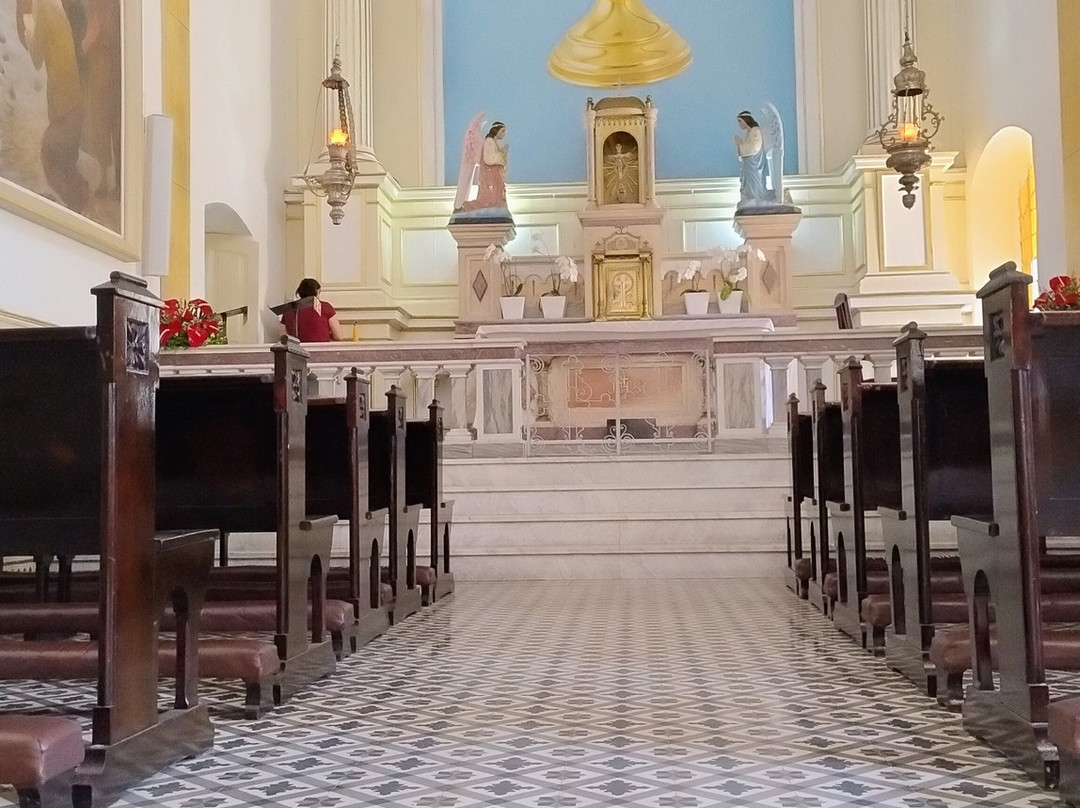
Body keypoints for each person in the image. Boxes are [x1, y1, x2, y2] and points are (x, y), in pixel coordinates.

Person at [459, 122, 509, 212]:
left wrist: (501, 153)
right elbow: (488, 159)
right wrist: (502, 154)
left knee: (495, 197)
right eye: (502, 131)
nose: (504, 134)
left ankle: (494, 211)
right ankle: (467, 207)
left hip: (494, 174)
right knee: (489, 199)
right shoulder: (489, 141)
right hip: (489, 174)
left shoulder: (493, 142)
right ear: (496, 131)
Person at [279, 278, 344, 343]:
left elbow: (283, 337)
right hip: (321, 349)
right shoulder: (326, 307)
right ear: (317, 291)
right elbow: (338, 336)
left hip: (297, 350)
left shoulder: (289, 309)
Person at [734, 111, 769, 207]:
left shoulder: (755, 131)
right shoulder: (750, 132)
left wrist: (740, 144)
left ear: (746, 120)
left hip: (754, 164)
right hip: (749, 164)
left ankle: (754, 199)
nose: (739, 124)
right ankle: (750, 198)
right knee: (748, 182)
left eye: (740, 121)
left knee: (753, 182)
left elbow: (754, 148)